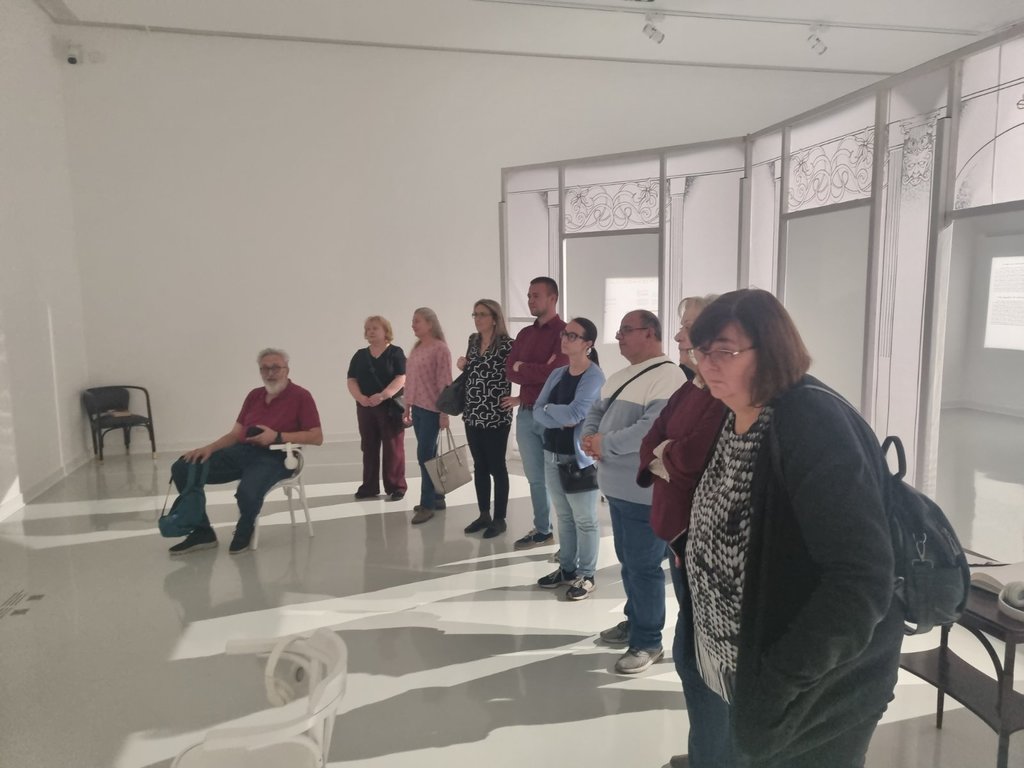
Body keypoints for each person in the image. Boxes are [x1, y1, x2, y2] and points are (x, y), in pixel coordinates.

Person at [684, 289, 903, 767]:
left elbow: (860, 580)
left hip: (813, 693)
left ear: (771, 350)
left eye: (725, 351)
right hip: (743, 667)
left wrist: (777, 686)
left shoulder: (809, 422)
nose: (708, 364)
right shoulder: (738, 411)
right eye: (702, 350)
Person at [636, 296, 726, 768]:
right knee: (691, 656)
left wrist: (664, 454)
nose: (677, 336)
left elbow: (690, 462)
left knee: (701, 660)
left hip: (698, 542)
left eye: (687, 327)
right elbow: (653, 438)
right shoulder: (691, 387)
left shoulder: (721, 395)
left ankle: (713, 757)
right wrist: (664, 453)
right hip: (679, 538)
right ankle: (705, 753)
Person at [582, 309, 685, 674]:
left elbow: (648, 431)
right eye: (620, 330)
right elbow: (594, 413)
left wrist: (603, 444)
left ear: (651, 333)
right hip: (617, 489)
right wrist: (589, 438)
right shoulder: (620, 376)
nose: (619, 336)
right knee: (629, 563)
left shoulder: (668, 376)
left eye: (627, 330)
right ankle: (635, 620)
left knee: (643, 567)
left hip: (644, 493)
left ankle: (648, 641)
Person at [167, 348, 323, 555]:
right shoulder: (254, 395)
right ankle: (202, 531)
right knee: (184, 468)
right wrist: (208, 448)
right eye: (264, 369)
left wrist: (277, 436)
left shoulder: (301, 396)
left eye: (275, 368)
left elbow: (316, 437)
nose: (270, 373)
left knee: (247, 491)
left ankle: (245, 527)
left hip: (277, 456)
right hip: (242, 452)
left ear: (287, 369)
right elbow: (235, 434)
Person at [532, 318, 605, 600]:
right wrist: (553, 412)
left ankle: (587, 575)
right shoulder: (558, 373)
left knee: (585, 519)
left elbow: (575, 415)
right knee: (563, 517)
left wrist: (550, 410)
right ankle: (567, 568)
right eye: (565, 334)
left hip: (579, 459)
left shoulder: (594, 376)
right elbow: (536, 409)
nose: (565, 338)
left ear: (588, 344)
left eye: (573, 335)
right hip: (551, 452)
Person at [503, 277, 568, 551]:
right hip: (526, 414)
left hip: (552, 416)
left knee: (558, 478)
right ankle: (543, 530)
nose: (530, 300)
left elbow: (554, 373)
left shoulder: (565, 333)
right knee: (535, 478)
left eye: (536, 296)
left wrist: (524, 367)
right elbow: (510, 371)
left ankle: (569, 539)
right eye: (529, 295)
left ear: (553, 298)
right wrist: (532, 369)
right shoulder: (525, 335)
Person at [459, 299, 514, 539]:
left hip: (496, 415)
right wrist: (463, 365)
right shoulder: (473, 340)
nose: (478, 319)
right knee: (480, 466)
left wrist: (519, 398)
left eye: (482, 314)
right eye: (475, 314)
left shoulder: (508, 345)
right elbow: (473, 371)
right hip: (472, 412)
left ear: (494, 318)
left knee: (497, 466)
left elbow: (516, 373)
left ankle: (500, 518)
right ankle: (484, 514)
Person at [347, 315, 407, 502]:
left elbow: (401, 377)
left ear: (385, 331)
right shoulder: (360, 355)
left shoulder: (396, 352)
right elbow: (351, 379)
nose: (370, 331)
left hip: (389, 407)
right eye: (368, 329)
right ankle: (369, 486)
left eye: (375, 328)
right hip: (365, 407)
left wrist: (383, 395)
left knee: (393, 447)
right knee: (369, 446)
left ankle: (396, 486)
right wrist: (360, 398)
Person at [404, 307, 452, 525]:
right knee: (429, 455)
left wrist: (444, 413)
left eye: (417, 321)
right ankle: (437, 497)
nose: (413, 325)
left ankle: (427, 504)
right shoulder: (417, 348)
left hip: (433, 410)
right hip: (418, 408)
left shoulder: (440, 349)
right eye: (413, 321)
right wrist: (407, 406)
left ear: (430, 324)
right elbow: (411, 380)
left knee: (424, 455)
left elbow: (444, 382)